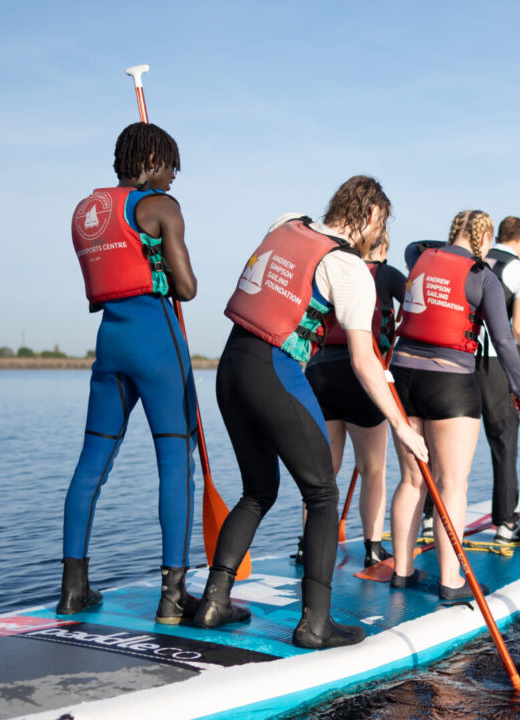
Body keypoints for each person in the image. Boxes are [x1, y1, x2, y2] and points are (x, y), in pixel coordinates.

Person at [195, 176, 428, 649]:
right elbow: (365, 362)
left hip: (230, 367)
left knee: (259, 489)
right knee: (323, 493)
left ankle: (214, 602)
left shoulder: (286, 223)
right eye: (380, 224)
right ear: (370, 219)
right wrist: (403, 428)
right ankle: (316, 624)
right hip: (274, 370)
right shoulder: (348, 268)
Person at [61, 122, 202, 624]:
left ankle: (73, 588)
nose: (172, 179)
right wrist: (163, 256)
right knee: (175, 464)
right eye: (169, 167)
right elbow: (186, 288)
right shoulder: (160, 206)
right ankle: (173, 597)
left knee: (91, 465)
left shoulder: (86, 212)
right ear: (149, 161)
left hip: (110, 344)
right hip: (157, 341)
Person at [388, 210, 520, 600]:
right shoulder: (482, 277)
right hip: (450, 381)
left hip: (401, 378)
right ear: (485, 240)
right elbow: (503, 341)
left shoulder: (419, 259)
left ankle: (402, 572)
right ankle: (451, 582)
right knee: (452, 483)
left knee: (412, 479)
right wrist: (519, 389)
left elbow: (412, 245)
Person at [303, 234, 407, 567]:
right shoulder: (387, 275)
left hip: (319, 372)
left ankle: (309, 546)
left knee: (322, 473)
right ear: (384, 247)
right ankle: (373, 548)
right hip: (361, 372)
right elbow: (418, 306)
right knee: (373, 469)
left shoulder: (334, 268)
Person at [477, 216, 520, 543]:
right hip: (494, 364)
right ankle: (505, 523)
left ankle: (430, 518)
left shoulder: (475, 260)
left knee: (445, 443)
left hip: (456, 361)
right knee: (504, 441)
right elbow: (518, 328)